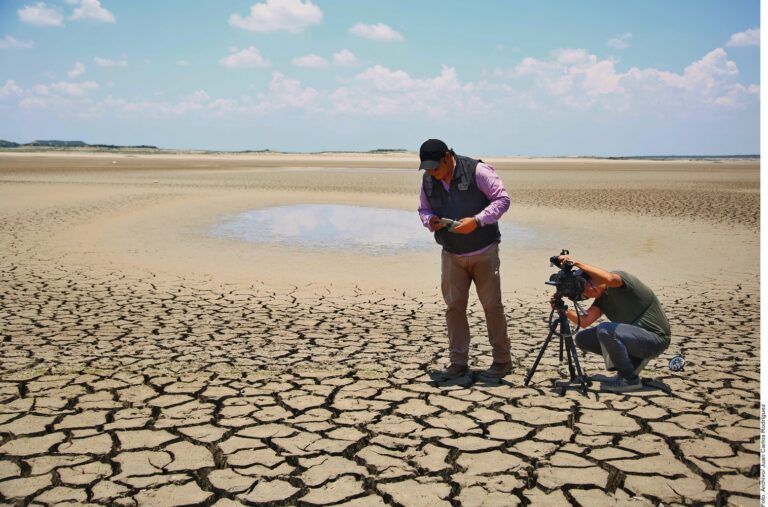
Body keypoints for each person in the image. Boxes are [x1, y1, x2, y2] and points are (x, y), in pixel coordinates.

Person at [417, 139, 512, 380]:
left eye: (435, 168)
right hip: (451, 254)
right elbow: (424, 210)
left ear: (448, 157)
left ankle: (502, 360)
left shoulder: (478, 171)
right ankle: (458, 362)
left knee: (492, 306)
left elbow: (502, 200)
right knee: (454, 308)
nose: (432, 174)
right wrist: (431, 222)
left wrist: (478, 221)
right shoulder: (428, 179)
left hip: (484, 251)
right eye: (427, 169)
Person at [552, 254, 671, 393]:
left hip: (655, 340)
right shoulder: (603, 299)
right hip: (635, 339)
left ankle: (629, 380)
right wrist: (563, 310)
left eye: (584, 289)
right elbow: (585, 321)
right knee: (582, 338)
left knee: (606, 330)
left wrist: (576, 262)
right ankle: (631, 362)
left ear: (594, 280)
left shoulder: (618, 280)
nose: (585, 295)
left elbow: (609, 278)